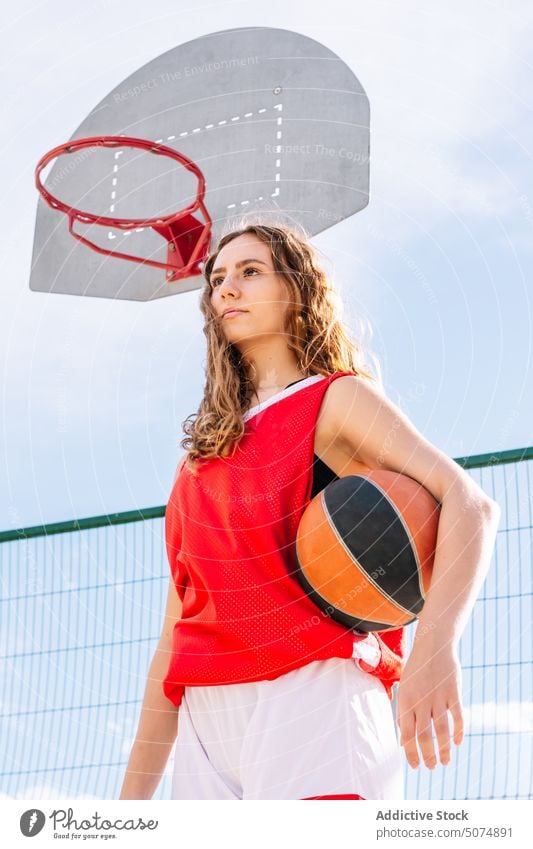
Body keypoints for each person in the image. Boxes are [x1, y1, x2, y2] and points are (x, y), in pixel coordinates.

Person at [119, 222, 500, 801]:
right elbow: (175, 635)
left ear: (296, 291)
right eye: (218, 278)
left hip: (313, 693)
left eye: (251, 272)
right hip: (205, 719)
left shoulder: (334, 399)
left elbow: (469, 504)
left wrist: (434, 649)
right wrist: (128, 813)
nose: (227, 288)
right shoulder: (196, 462)